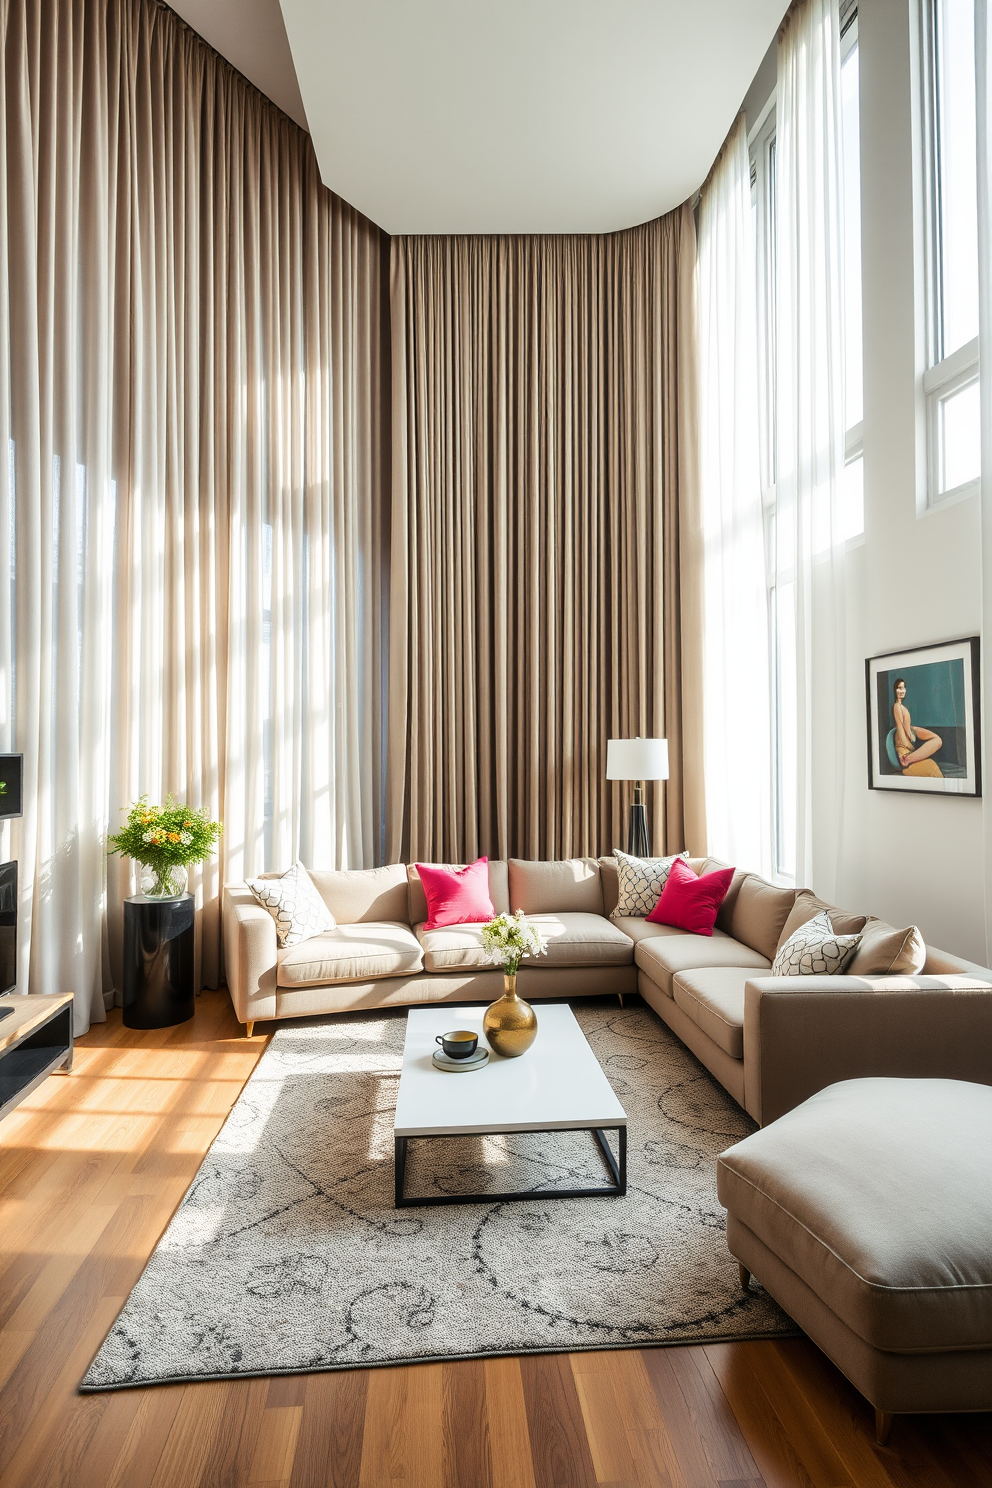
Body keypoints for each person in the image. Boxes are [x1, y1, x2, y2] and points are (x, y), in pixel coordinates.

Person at [892, 677, 943, 777]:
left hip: (910, 745)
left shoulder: (902, 707)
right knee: (932, 768)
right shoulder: (897, 706)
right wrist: (909, 744)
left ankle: (909, 758)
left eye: (903, 688)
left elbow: (905, 727)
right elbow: (900, 727)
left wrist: (913, 730)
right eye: (899, 688)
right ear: (895, 690)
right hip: (905, 753)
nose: (902, 691)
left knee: (937, 740)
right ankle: (907, 759)